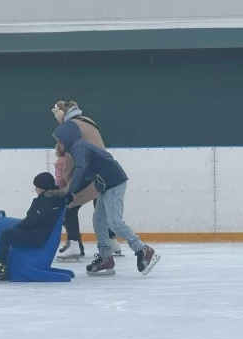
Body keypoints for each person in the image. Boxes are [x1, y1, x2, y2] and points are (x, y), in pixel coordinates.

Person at [48, 120, 160, 277]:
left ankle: (143, 249)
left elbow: (81, 169)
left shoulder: (78, 147)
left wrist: (70, 190)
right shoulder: (77, 148)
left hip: (114, 181)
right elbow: (85, 175)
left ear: (66, 138)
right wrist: (71, 191)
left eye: (59, 140)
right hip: (105, 184)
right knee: (99, 221)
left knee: (114, 221)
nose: (58, 143)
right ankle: (106, 258)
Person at [51, 101, 124, 259]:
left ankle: (74, 243)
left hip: (87, 171)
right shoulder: (88, 121)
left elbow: (73, 157)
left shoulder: (71, 127)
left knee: (70, 203)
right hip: (104, 171)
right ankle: (112, 242)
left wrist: (67, 183)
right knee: (101, 208)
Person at [0, 172, 65, 281]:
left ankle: (1, 266)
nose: (35, 189)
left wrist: (16, 228)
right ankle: (2, 264)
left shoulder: (45, 202)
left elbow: (32, 220)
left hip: (37, 236)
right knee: (10, 233)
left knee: (6, 234)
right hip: (40, 233)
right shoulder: (52, 199)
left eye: (37, 187)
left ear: (42, 188)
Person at [54, 144, 85, 259]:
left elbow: (59, 181)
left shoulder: (60, 162)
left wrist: (58, 194)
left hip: (72, 191)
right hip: (88, 187)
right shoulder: (79, 158)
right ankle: (111, 241)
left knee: (68, 213)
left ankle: (74, 243)